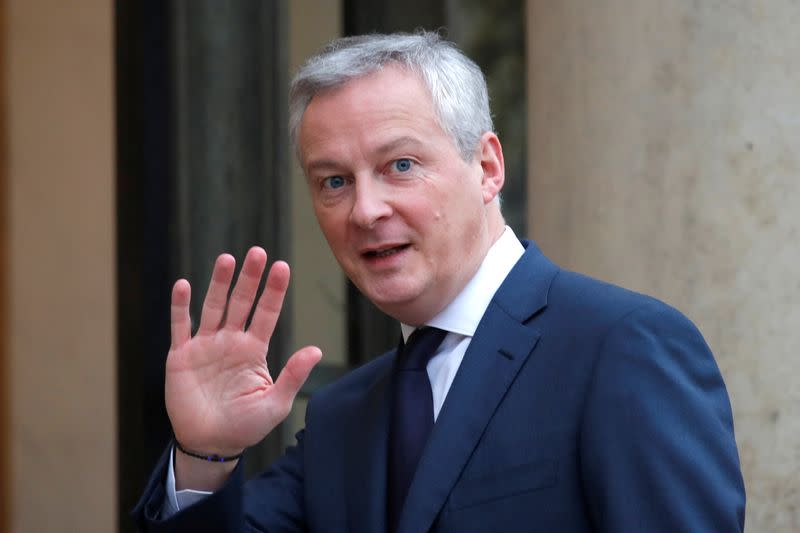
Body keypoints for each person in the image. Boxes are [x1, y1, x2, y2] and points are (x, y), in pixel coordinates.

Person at [134, 31, 745, 532]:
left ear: (486, 166)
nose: (365, 210)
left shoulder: (620, 348)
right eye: (333, 181)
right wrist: (203, 458)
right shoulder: (344, 415)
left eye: (400, 165)